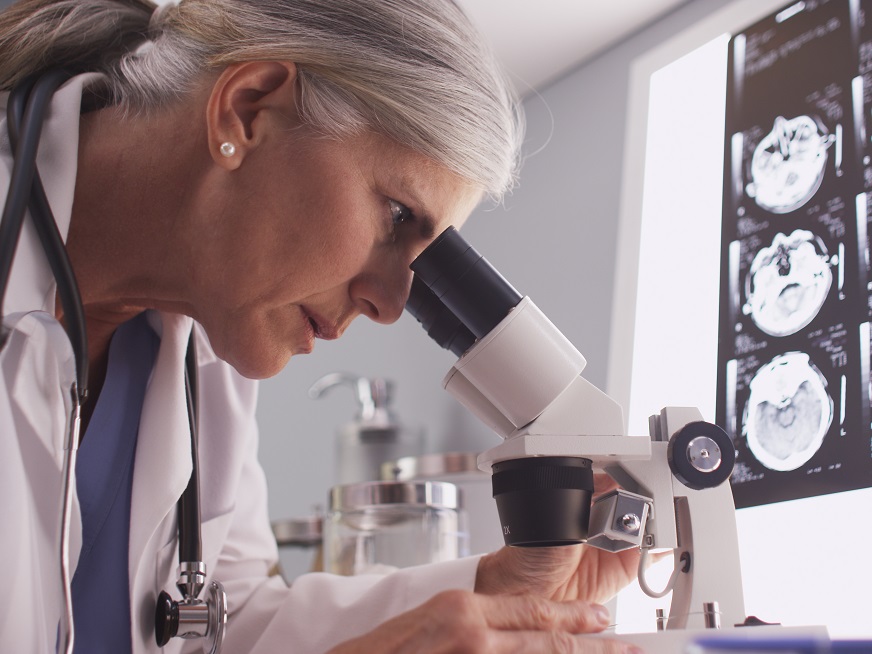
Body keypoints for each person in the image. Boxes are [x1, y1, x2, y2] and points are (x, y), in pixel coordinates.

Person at [0, 0, 645, 652]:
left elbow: (235, 623)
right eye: (397, 217)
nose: (390, 306)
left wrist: (500, 589)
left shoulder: (198, 347)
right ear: (249, 109)